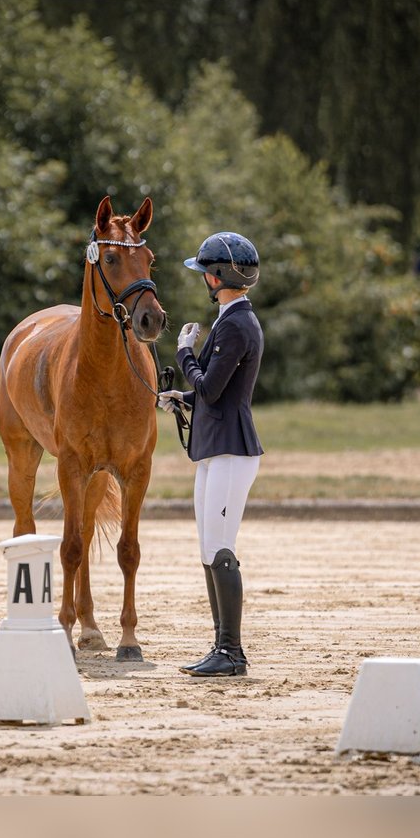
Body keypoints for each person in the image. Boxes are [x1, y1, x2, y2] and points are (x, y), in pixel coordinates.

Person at [158, 232, 264, 677]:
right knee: (208, 547)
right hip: (216, 446)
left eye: (206, 273)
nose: (204, 279)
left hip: (230, 450)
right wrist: (181, 397)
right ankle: (220, 646)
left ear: (219, 277)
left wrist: (184, 353)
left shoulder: (237, 324)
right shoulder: (229, 320)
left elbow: (212, 387)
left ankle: (232, 652)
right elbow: (208, 393)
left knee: (220, 546)